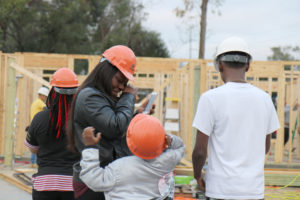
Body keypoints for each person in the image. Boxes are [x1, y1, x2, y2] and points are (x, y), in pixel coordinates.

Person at [192, 36, 280, 200]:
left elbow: (199, 152)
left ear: (219, 65)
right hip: (253, 191)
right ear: (247, 65)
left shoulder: (210, 98)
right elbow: (265, 146)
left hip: (220, 189)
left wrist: (198, 175)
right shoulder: (265, 99)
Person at [67, 45, 154, 200]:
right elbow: (115, 128)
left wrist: (135, 116)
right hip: (94, 181)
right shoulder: (90, 97)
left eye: (124, 84)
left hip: (104, 177)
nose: (121, 87)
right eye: (120, 81)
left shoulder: (102, 96)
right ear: (106, 71)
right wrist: (128, 97)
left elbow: (112, 132)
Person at [79, 113, 185, 200]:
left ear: (129, 140)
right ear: (162, 141)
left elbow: (92, 179)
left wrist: (90, 147)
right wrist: (169, 139)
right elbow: (180, 147)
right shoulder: (166, 162)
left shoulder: (118, 168)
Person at [25, 68, 80, 200]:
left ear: (52, 92)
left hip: (44, 183)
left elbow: (33, 148)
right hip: (73, 184)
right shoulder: (82, 118)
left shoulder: (40, 118)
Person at [28, 86, 49, 168]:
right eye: (45, 97)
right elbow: (47, 110)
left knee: (34, 144)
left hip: (33, 125)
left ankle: (33, 162)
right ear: (42, 95)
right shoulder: (40, 102)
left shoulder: (35, 102)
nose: (46, 98)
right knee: (39, 144)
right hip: (38, 126)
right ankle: (35, 163)